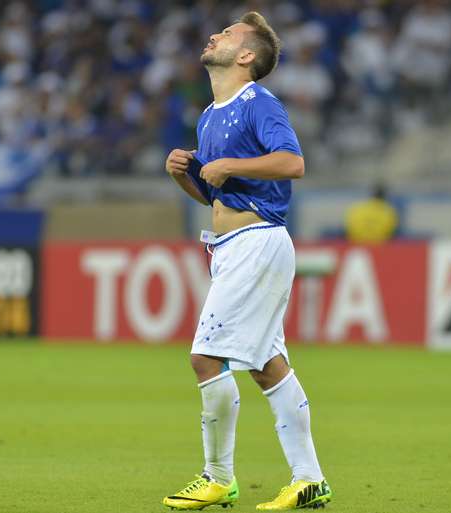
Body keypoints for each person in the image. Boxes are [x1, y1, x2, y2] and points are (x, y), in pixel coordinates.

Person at [162, 12, 331, 510]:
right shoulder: (209, 115)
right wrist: (183, 177)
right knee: (266, 366)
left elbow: (293, 162)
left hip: (259, 242)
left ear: (246, 55)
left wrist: (230, 164)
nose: (214, 34)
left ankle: (218, 476)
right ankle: (309, 479)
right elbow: (217, 197)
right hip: (233, 245)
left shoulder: (259, 102)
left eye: (229, 34)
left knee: (205, 356)